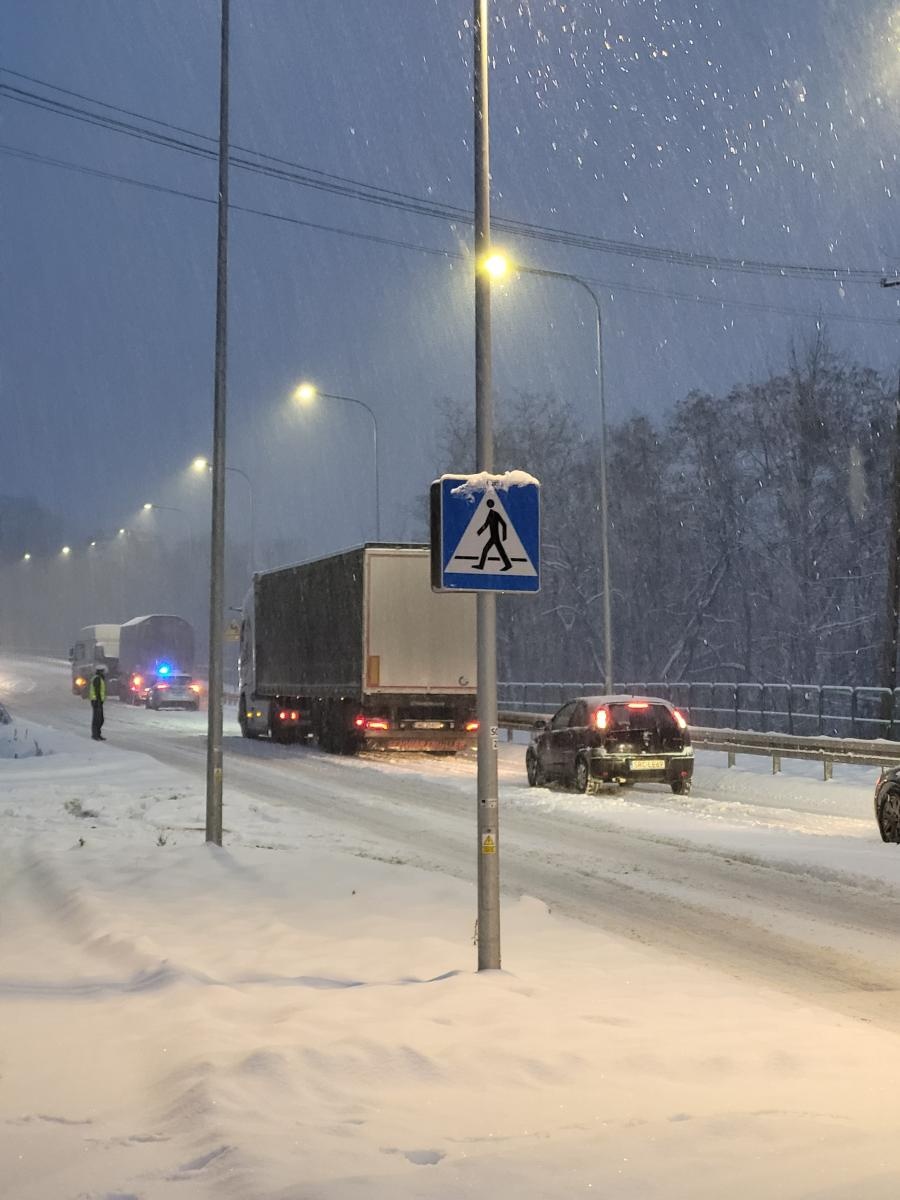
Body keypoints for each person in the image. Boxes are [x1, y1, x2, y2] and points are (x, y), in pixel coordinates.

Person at [88, 664, 107, 741]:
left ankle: (98, 734)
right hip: (96, 701)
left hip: (98, 701)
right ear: (100, 671)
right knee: (97, 719)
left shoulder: (99, 678)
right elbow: (97, 691)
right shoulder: (97, 679)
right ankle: (95, 735)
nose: (104, 672)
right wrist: (98, 701)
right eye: (103, 671)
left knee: (100, 719)